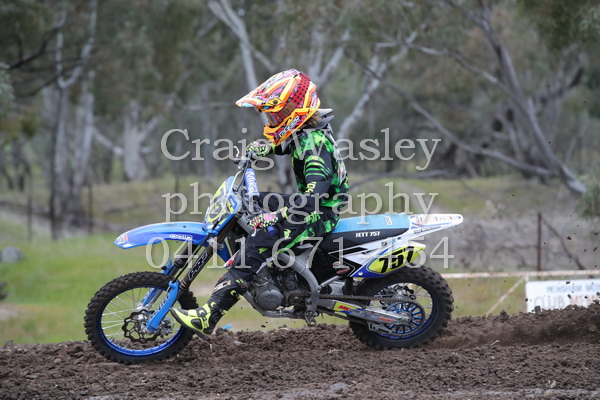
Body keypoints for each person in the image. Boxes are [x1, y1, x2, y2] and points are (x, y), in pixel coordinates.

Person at [170, 69, 349, 337]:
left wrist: (276, 216)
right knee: (251, 202)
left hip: (318, 211)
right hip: (314, 204)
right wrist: (266, 148)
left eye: (276, 114)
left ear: (295, 110)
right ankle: (268, 272)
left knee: (256, 245)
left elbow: (313, 197)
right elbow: (290, 144)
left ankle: (209, 317)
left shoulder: (315, 147)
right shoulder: (307, 131)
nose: (272, 120)